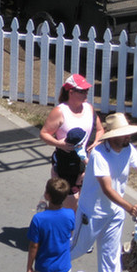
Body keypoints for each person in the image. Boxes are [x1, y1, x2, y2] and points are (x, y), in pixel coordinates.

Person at [70, 113, 137, 272]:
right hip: (92, 213)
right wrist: (129, 207)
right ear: (112, 136)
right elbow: (107, 189)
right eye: (123, 135)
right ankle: (51, 271)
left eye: (128, 134)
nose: (127, 138)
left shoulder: (129, 149)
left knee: (111, 254)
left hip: (115, 213)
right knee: (77, 248)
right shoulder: (99, 154)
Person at [40, 74, 104, 210]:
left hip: (86, 162)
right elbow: (44, 134)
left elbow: (100, 130)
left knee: (86, 203)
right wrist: (60, 144)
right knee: (71, 205)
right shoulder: (60, 111)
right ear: (71, 92)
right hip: (65, 165)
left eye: (87, 90)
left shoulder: (89, 108)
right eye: (82, 91)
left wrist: (97, 142)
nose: (86, 93)